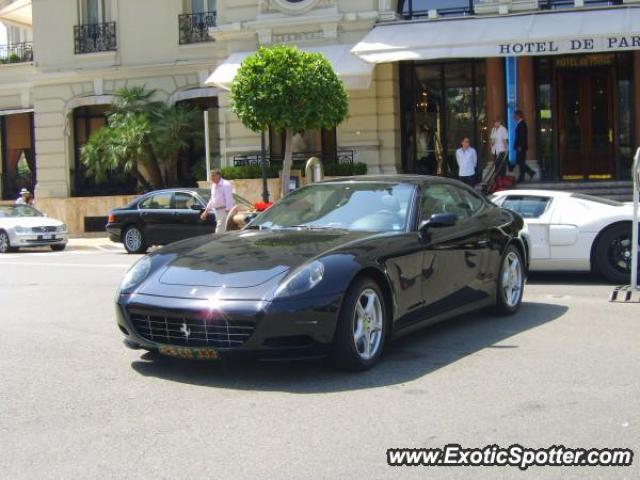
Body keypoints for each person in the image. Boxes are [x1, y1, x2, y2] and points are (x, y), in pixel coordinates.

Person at [200, 169, 234, 233]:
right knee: (222, 232)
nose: (211, 178)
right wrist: (206, 211)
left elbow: (229, 199)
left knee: (219, 232)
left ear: (218, 176)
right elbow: (212, 199)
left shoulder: (226, 184)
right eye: (211, 176)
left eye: (213, 176)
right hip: (217, 211)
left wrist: (228, 212)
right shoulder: (213, 185)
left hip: (224, 211)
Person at [514, 110, 536, 182]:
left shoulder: (522, 124)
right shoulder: (519, 124)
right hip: (519, 146)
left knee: (521, 161)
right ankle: (530, 172)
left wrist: (520, 146)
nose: (514, 117)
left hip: (521, 147)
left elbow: (522, 136)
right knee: (520, 161)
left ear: (518, 116)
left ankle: (522, 176)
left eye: (515, 115)